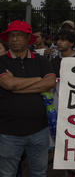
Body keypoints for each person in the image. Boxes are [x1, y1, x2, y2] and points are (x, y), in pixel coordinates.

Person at [0, 20, 56, 177]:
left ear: (28, 38)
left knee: (39, 173)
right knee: (7, 173)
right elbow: (9, 84)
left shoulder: (41, 60)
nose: (15, 39)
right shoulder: (1, 61)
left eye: (19, 35)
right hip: (8, 132)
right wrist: (38, 79)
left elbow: (50, 82)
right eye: (11, 35)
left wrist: (18, 88)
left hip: (39, 130)